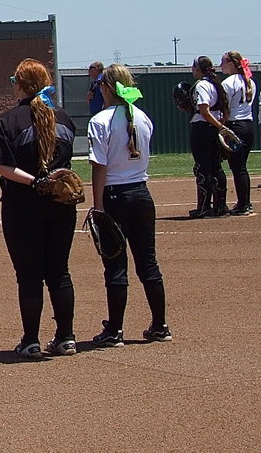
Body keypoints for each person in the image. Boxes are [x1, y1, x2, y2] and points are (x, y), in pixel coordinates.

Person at [0, 58, 78, 360]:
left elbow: (2, 165)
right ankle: (66, 338)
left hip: (22, 206)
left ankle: (30, 341)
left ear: (23, 85)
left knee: (29, 274)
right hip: (59, 205)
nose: (12, 85)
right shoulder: (63, 118)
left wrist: (35, 181)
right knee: (59, 272)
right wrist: (48, 180)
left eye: (15, 80)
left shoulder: (7, 121)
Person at [87, 64, 172, 348]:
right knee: (148, 262)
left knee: (115, 265)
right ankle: (160, 325)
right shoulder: (143, 117)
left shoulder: (100, 120)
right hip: (141, 194)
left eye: (101, 84)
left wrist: (98, 206)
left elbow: (99, 167)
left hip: (114, 195)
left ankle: (115, 330)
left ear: (108, 88)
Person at [188, 56, 233, 219]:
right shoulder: (216, 84)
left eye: (194, 67)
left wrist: (219, 126)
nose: (192, 70)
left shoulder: (202, 85)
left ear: (199, 69)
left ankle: (205, 207)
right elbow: (224, 108)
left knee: (203, 167)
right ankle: (220, 206)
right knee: (216, 167)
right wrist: (220, 125)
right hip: (213, 128)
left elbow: (204, 111)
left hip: (202, 128)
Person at [220, 52, 256, 216]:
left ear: (232, 63)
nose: (221, 65)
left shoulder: (228, 82)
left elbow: (225, 108)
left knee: (237, 167)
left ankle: (243, 204)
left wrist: (222, 126)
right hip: (248, 124)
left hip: (235, 125)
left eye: (224, 62)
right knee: (241, 166)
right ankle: (245, 203)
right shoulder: (250, 82)